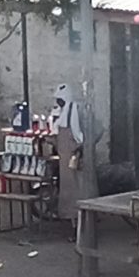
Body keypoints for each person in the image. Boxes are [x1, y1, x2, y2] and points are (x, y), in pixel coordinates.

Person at [52, 84, 83, 234]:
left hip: (71, 155)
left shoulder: (73, 110)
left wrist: (78, 147)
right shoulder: (63, 111)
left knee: (74, 188)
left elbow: (77, 133)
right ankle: (69, 220)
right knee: (66, 187)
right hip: (64, 156)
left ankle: (77, 222)